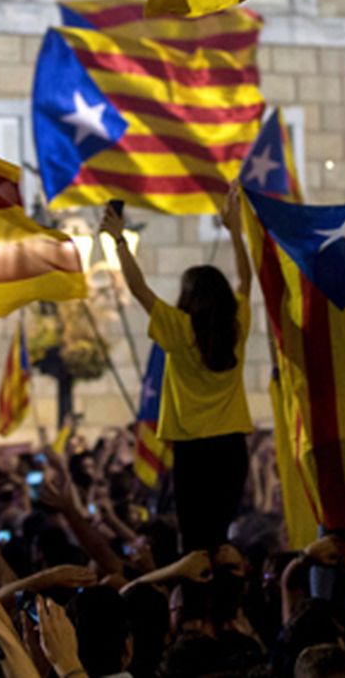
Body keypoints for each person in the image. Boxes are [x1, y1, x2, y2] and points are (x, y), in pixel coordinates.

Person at [102, 189, 254, 552]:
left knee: (196, 543)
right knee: (221, 537)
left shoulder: (179, 329)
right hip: (232, 448)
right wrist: (235, 231)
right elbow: (246, 281)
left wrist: (119, 240)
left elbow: (138, 288)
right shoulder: (237, 326)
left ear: (187, 298)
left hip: (192, 452)